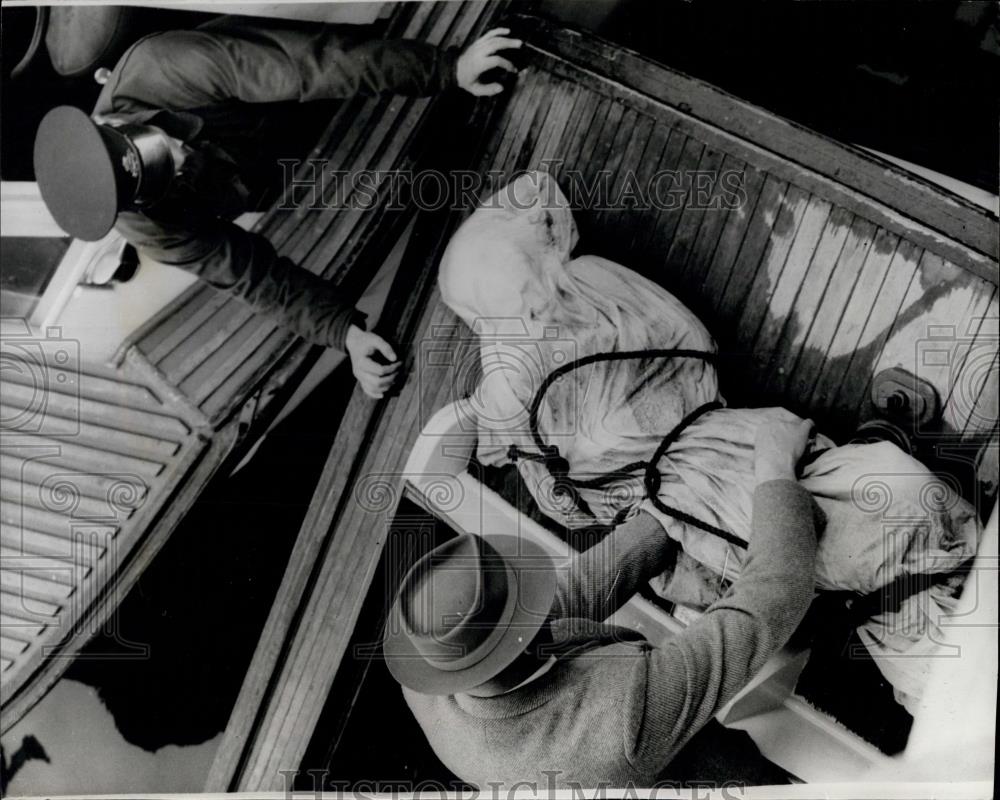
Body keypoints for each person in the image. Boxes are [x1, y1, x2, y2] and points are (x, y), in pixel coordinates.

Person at [32, 18, 521, 398]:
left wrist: (447, 69)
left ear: (116, 122)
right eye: (166, 178)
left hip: (312, 81)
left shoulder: (164, 65)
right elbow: (252, 276)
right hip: (289, 166)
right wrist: (343, 332)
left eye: (161, 149)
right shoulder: (146, 225)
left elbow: (311, 68)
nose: (180, 161)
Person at [383, 415, 821, 788]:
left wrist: (663, 515)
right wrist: (775, 469)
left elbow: (571, 597)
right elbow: (775, 593)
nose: (535, 585)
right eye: (522, 585)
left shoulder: (431, 675)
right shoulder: (618, 719)